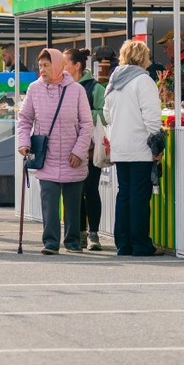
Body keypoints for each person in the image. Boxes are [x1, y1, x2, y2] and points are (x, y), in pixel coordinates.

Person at [18, 49, 93, 255]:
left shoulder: (76, 90)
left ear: (58, 65)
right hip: (47, 156)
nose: (42, 69)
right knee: (49, 202)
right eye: (40, 66)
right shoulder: (34, 89)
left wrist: (79, 151)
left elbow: (87, 124)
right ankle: (50, 242)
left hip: (72, 158)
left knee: (72, 203)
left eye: (46, 65)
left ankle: (73, 241)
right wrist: (24, 143)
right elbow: (24, 119)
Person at [103, 40, 163, 257]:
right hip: (140, 147)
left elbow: (107, 115)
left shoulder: (114, 81)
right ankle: (140, 244)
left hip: (120, 146)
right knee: (139, 196)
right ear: (143, 58)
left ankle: (124, 243)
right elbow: (152, 118)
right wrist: (156, 142)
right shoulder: (143, 81)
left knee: (125, 194)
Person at [65, 48, 105, 250]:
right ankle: (78, 232)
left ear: (77, 65)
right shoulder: (62, 86)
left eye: (65, 63)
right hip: (67, 147)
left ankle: (93, 234)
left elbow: (105, 114)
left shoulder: (95, 88)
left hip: (90, 148)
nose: (62, 68)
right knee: (74, 192)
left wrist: (82, 113)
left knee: (90, 189)